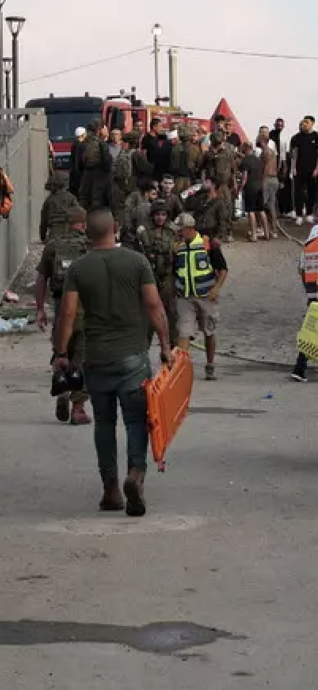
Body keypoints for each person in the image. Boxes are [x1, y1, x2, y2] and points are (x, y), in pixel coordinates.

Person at [54, 207, 172, 517]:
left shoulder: (79, 269)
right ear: (115, 229)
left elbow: (67, 315)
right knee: (136, 420)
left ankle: (110, 490)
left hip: (97, 360)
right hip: (133, 359)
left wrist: (61, 353)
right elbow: (154, 306)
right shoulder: (137, 262)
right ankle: (136, 475)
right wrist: (166, 346)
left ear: (87, 233)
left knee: (104, 424)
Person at [35, 206, 92, 425]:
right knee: (83, 359)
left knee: (61, 353)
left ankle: (62, 391)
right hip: (85, 311)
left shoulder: (52, 246)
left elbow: (42, 279)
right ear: (83, 224)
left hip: (61, 311)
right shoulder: (88, 246)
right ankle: (78, 408)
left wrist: (40, 308)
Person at [173, 213, 229, 381]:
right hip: (185, 297)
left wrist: (216, 288)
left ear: (189, 229)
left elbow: (223, 269)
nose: (178, 233)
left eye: (181, 230)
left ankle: (210, 365)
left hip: (206, 297)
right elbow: (173, 272)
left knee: (209, 331)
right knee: (183, 332)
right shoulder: (177, 247)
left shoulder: (207, 244)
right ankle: (181, 371)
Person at [138, 199, 178, 342]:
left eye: (163, 214)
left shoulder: (172, 231)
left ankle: (173, 349)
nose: (160, 218)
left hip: (167, 278)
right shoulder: (143, 232)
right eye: (157, 215)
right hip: (149, 278)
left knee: (171, 315)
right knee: (148, 316)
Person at [291, 222, 318, 382]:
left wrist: (308, 292)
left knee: (311, 332)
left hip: (313, 295)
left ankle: (299, 368)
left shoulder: (307, 248)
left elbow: (301, 270)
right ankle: (299, 368)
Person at [201, 133, 236, 242]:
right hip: (212, 186)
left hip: (224, 186)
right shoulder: (207, 154)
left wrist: (234, 183)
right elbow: (203, 169)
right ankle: (216, 233)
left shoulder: (228, 153)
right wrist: (204, 183)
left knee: (227, 209)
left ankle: (228, 232)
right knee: (212, 209)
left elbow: (233, 170)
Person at [290, 116, 318, 226]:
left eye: (307, 122)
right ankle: (299, 215)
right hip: (299, 170)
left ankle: (310, 214)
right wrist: (293, 168)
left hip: (312, 170)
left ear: (312, 123)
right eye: (303, 122)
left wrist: (316, 168)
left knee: (312, 193)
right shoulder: (296, 138)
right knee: (298, 193)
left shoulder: (316, 136)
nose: (304, 124)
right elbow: (293, 155)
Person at [239, 141, 270, 241]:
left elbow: (244, 178)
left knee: (251, 211)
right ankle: (267, 233)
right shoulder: (258, 160)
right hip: (259, 187)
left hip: (250, 188)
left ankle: (254, 235)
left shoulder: (245, 161)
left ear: (245, 148)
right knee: (261, 210)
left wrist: (240, 188)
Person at [77, 119, 111, 209]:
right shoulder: (102, 143)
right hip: (100, 175)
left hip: (86, 176)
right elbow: (107, 163)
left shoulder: (82, 143)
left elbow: (79, 165)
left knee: (84, 200)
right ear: (99, 130)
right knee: (98, 200)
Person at [39, 172, 79, 243]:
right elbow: (79, 215)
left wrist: (43, 237)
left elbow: (43, 221)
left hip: (53, 235)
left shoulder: (49, 200)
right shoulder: (71, 198)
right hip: (69, 234)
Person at [69, 126, 87, 197]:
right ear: (83, 135)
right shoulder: (84, 146)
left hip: (74, 177)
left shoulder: (74, 145)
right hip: (83, 176)